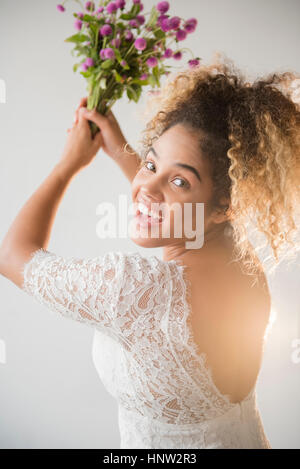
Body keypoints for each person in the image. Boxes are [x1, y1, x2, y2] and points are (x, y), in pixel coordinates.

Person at [0, 53, 299, 449]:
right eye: (150, 162)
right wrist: (125, 152)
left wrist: (67, 165)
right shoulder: (238, 251)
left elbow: (14, 255)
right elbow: (178, 208)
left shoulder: (132, 290)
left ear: (225, 206)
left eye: (179, 182)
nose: (145, 188)